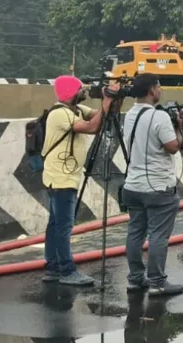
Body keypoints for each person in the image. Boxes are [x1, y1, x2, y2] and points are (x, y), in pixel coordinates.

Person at [41, 75, 113, 286]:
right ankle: (67, 271)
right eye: (80, 89)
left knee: (55, 225)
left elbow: (100, 118)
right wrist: (107, 102)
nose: (84, 92)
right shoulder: (59, 114)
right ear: (70, 92)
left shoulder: (77, 111)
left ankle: (53, 267)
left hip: (62, 176)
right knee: (63, 226)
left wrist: (111, 101)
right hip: (61, 178)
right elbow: (91, 127)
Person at [122, 74, 183, 296]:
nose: (160, 90)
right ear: (151, 90)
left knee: (135, 232)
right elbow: (172, 147)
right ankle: (157, 282)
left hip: (132, 186)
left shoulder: (129, 115)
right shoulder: (159, 118)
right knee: (158, 236)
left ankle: (135, 278)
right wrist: (179, 127)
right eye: (158, 86)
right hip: (158, 187)